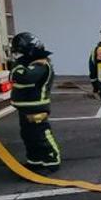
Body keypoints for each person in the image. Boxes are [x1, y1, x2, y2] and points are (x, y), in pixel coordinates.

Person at [10, 32, 61, 171]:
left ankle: (52, 160)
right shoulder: (29, 64)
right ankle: (34, 161)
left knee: (41, 135)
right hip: (25, 108)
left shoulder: (40, 65)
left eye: (19, 53)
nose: (17, 56)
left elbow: (24, 77)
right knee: (28, 136)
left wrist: (16, 65)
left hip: (36, 107)